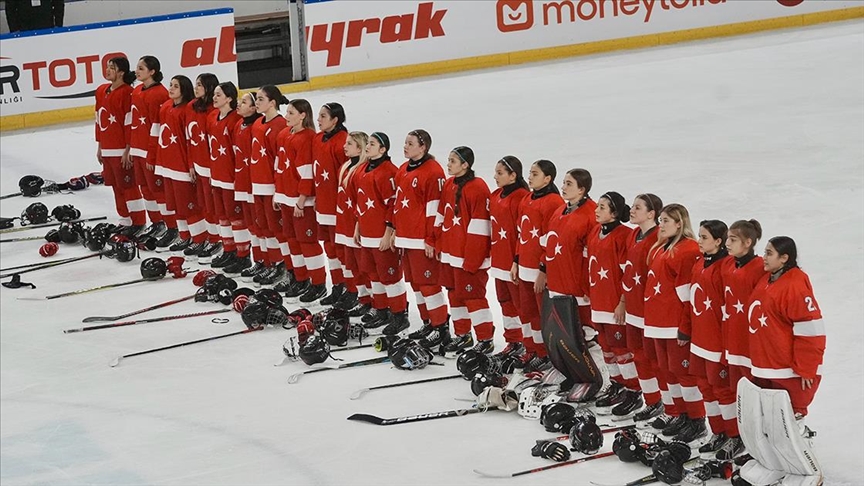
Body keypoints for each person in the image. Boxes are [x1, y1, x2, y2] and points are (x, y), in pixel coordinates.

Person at [642, 203, 706, 444]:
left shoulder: (687, 250)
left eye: (666, 221)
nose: (661, 225)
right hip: (657, 321)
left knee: (683, 374)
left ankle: (696, 419)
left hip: (673, 324)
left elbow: (688, 297)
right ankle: (678, 413)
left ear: (680, 223)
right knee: (667, 371)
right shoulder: (662, 248)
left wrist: (684, 327)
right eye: (660, 220)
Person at [434, 146, 493, 356]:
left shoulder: (477, 187)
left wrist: (473, 259)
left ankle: (485, 339)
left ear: (465, 165)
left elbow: (480, 227)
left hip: (468, 258)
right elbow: (442, 217)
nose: (448, 164)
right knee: (455, 295)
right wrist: (439, 245)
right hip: (451, 255)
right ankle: (463, 335)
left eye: (452, 161)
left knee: (474, 297)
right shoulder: (449, 184)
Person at [587, 191, 641, 419]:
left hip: (614, 305)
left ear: (615, 212)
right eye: (597, 206)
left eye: (602, 207)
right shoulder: (595, 232)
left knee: (621, 351)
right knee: (607, 349)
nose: (596, 211)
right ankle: (617, 384)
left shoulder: (623, 236)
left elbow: (627, 273)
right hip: (598, 301)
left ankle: (633, 391)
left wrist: (622, 302)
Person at [716, 219, 766, 461]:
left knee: (752, 396)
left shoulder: (759, 268)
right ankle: (737, 437)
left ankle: (758, 444)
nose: (727, 244)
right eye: (726, 239)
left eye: (733, 240)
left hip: (750, 346)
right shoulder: (727, 264)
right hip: (731, 342)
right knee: (734, 392)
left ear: (748, 242)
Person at [389, 129, 447, 341]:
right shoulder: (403, 169)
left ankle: (440, 327)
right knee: (416, 284)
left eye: (410, 143)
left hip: (422, 240)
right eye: (405, 142)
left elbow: (435, 210)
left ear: (423, 147)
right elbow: (397, 204)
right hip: (406, 238)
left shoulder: (433, 172)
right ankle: (428, 323)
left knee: (429, 285)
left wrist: (431, 239)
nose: (405, 146)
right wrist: (395, 231)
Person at [510, 160, 563, 371]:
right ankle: (532, 349)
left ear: (548, 178)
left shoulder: (553, 202)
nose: (529, 177)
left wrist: (543, 270)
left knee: (542, 316)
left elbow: (550, 241)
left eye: (535, 174)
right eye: (530, 173)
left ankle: (547, 354)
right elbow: (521, 233)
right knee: (527, 312)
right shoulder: (526, 199)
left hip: (538, 271)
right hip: (524, 267)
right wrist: (516, 260)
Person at [688, 219, 734, 457]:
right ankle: (718, 432)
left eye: (704, 237)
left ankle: (734, 436)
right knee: (706, 388)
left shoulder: (725, 266)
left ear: (718, 241)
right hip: (699, 339)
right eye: (699, 235)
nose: (699, 240)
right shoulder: (699, 263)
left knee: (722, 391)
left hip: (716, 342)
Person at [353, 132, 407, 334]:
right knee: (374, 274)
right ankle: (381, 309)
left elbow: (392, 205)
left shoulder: (388, 172)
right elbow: (361, 201)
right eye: (367, 143)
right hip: (366, 231)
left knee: (389, 276)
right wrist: (358, 226)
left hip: (380, 234)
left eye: (372, 144)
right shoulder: (363, 169)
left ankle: (400, 314)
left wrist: (388, 233)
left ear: (383, 149)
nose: (368, 146)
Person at [621, 194, 668, 427]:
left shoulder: (657, 238)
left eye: (637, 207)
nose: (631, 210)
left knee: (655, 360)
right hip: (632, 308)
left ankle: (668, 404)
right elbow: (627, 272)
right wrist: (622, 301)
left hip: (648, 311)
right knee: (638, 356)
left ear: (651, 214)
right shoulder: (633, 234)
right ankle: (651, 400)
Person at [275, 99, 327, 302]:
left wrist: (302, 199)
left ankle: (318, 283)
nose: (286, 116)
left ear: (303, 115)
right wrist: (278, 194)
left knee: (307, 242)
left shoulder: (307, 138)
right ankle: (300, 277)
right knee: (292, 240)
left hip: (300, 201)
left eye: (291, 113)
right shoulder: (284, 135)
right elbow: (279, 168)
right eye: (286, 112)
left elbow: (307, 172)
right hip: (287, 197)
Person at [94, 56, 145, 235]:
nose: (107, 70)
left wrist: (128, 149)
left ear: (121, 72)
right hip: (107, 149)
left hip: (121, 149)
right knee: (116, 187)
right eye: (107, 67)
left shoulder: (127, 93)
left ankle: (138, 221)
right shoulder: (101, 91)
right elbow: (99, 120)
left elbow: (129, 123)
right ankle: (125, 219)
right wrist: (100, 146)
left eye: (112, 68)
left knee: (128, 186)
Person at [154, 75, 205, 253]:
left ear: (184, 89)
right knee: (176, 205)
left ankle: (199, 238)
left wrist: (190, 164)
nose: (171, 88)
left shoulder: (187, 110)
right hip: (167, 163)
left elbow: (191, 140)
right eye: (170, 85)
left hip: (181, 165)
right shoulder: (166, 107)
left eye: (176, 86)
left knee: (188, 205)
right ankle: (185, 236)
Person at [243, 85, 289, 285]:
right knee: (262, 226)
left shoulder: (279, 125)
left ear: (272, 102)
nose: (257, 102)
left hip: (271, 186)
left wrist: (278, 191)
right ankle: (268, 262)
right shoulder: (258, 123)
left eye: (261, 99)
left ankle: (282, 265)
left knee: (275, 229)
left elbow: (279, 162)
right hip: (257, 184)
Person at [488, 156, 530, 359]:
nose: (495, 177)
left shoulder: (522, 197)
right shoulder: (495, 195)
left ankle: (530, 346)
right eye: (496, 172)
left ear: (513, 175)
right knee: (505, 302)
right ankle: (513, 341)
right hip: (498, 260)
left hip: (513, 263)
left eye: (500, 173)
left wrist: (517, 260)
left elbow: (523, 233)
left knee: (520, 305)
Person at [128, 56, 171, 245]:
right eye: (137, 68)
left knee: (157, 189)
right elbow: (133, 121)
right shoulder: (136, 91)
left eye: (141, 68)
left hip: (149, 149)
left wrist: (154, 154)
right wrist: (131, 147)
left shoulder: (159, 94)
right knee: (145, 188)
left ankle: (170, 225)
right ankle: (156, 221)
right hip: (137, 147)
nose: (137, 71)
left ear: (152, 71)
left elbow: (158, 126)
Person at [205, 81, 246, 270]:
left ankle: (243, 255)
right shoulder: (212, 117)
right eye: (214, 94)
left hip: (230, 178)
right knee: (222, 215)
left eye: (219, 94)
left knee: (235, 217)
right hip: (217, 175)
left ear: (229, 98)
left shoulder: (236, 119)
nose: (214, 98)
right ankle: (228, 250)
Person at [313, 103, 350, 305]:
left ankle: (350, 288)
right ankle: (338, 286)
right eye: (318, 115)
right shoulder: (318, 138)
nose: (318, 120)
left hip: (337, 207)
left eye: (323, 116)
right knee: (330, 248)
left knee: (342, 250)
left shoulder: (343, 142)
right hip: (323, 204)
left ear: (335, 120)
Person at [332, 131, 372, 316]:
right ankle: (362, 298)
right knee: (351, 264)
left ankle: (374, 301)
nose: (344, 146)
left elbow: (360, 201)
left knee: (363, 266)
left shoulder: (362, 171)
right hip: (344, 222)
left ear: (359, 148)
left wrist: (359, 225)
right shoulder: (346, 167)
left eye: (349, 144)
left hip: (355, 225)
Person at [222, 92, 262, 276]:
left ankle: (269, 263)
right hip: (242, 181)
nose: (239, 104)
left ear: (254, 108)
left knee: (260, 225)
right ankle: (253, 259)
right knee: (251, 224)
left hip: (256, 183)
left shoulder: (257, 126)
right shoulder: (239, 124)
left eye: (244, 102)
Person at [184, 73, 221, 261]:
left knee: (213, 205)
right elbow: (189, 138)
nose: (196, 87)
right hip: (198, 164)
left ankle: (217, 239)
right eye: (195, 84)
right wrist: (191, 164)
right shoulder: (191, 106)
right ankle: (210, 237)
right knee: (204, 203)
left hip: (211, 166)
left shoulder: (213, 111)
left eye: (200, 85)